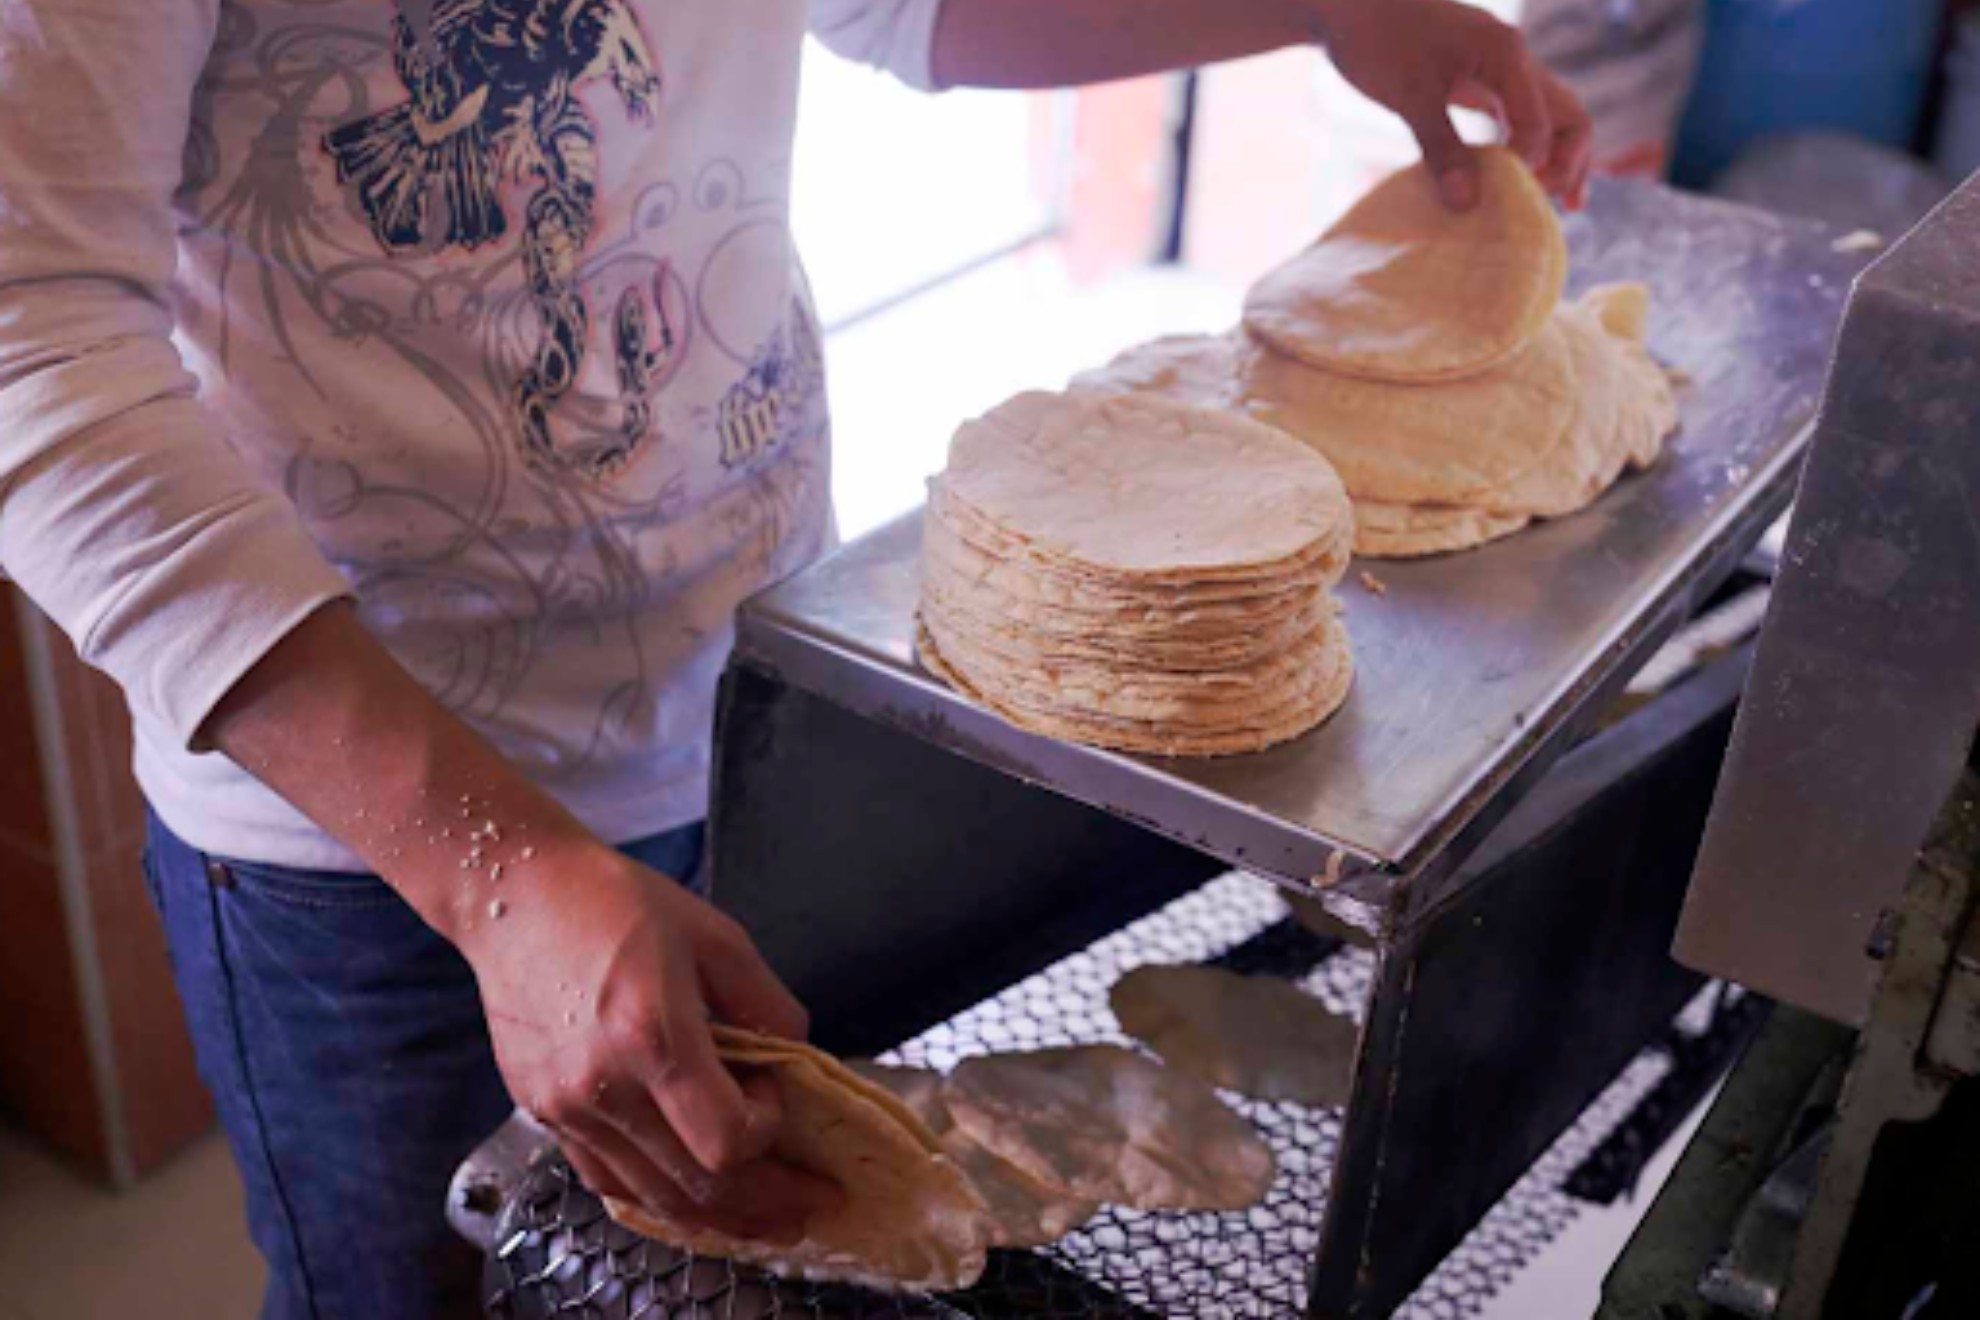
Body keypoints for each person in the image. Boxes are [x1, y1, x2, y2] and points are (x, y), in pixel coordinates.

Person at [0, 0, 1590, 1315]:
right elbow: (32, 338)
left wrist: (1317, 5)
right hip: (375, 856)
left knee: (726, 1269)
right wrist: (501, 880)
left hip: (760, 704)